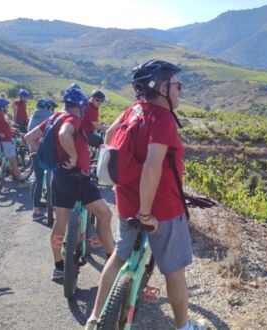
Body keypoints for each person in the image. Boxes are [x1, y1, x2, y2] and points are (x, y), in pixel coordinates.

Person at [85, 60, 205, 330]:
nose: (179, 90)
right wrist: (146, 213)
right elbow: (152, 167)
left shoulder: (133, 110)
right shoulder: (161, 119)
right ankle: (184, 326)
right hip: (160, 208)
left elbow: (112, 135)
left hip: (126, 201)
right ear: (162, 88)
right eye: (177, 85)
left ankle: (94, 317)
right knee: (175, 272)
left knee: (119, 256)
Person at [25, 88, 115, 281]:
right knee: (105, 214)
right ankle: (111, 263)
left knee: (60, 222)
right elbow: (65, 135)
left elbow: (29, 138)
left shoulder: (54, 117)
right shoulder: (72, 120)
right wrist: (73, 156)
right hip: (77, 178)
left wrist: (51, 159)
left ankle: (58, 267)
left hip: (59, 176)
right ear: (81, 106)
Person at [0, 98, 29, 188]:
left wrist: (12, 129)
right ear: (1, 108)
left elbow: (2, 126)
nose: (8, 108)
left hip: (2, 141)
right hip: (6, 142)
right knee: (14, 163)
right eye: (6, 106)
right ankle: (21, 181)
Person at [26, 98, 55, 220]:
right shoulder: (49, 117)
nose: (53, 110)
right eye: (52, 107)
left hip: (33, 151)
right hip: (43, 152)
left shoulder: (33, 116)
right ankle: (39, 210)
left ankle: (37, 208)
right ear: (48, 107)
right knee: (53, 176)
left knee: (38, 180)